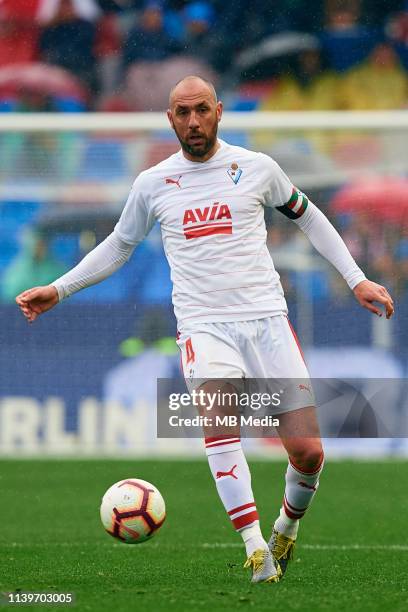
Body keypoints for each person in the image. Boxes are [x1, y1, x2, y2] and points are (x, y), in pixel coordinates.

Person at [16, 76, 394, 584]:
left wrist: (356, 279)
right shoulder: (153, 183)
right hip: (203, 326)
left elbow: (310, 218)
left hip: (267, 322)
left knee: (308, 453)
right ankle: (256, 548)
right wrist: (58, 289)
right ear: (169, 119)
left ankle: (285, 530)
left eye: (201, 110)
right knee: (220, 420)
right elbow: (118, 245)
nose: (193, 121)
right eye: (181, 113)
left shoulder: (256, 168)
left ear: (218, 112)